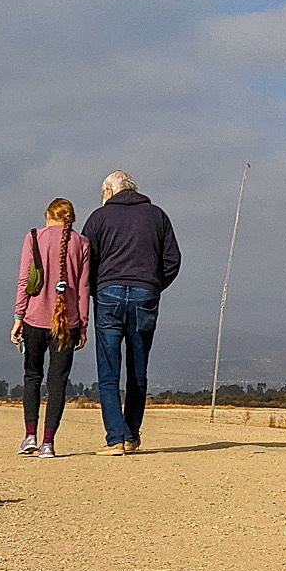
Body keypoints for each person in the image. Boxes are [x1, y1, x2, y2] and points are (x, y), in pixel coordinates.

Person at [80, 170, 180, 454]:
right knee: (138, 369)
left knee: (108, 371)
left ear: (110, 191)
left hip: (108, 294)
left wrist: (95, 289)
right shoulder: (157, 215)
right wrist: (154, 285)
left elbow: (85, 263)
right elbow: (172, 259)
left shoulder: (98, 218)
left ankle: (116, 438)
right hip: (144, 295)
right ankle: (132, 434)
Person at [8, 197, 90, 457]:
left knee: (32, 377)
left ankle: (29, 436)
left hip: (33, 319)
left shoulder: (33, 237)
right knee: (58, 383)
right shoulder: (82, 243)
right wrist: (84, 325)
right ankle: (48, 443)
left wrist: (18, 316)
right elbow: (84, 288)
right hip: (68, 323)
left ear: (48, 215)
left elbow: (24, 281)